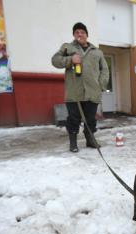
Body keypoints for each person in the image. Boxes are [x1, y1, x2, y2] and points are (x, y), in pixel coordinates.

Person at [52, 22, 109, 152]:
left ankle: (90, 140)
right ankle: (73, 143)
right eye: (77, 32)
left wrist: (100, 85)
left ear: (86, 35)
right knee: (73, 119)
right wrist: (70, 60)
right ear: (73, 34)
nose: (79, 34)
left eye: (82, 32)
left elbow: (105, 70)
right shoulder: (67, 48)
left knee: (90, 119)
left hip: (92, 92)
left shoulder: (97, 52)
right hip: (74, 93)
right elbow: (55, 60)